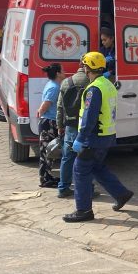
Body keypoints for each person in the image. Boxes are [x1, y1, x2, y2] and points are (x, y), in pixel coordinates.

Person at [63, 52, 133, 223]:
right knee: (96, 167)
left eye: (84, 66)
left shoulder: (94, 89)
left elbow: (89, 117)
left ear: (88, 68)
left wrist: (80, 138)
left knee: (79, 171)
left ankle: (83, 210)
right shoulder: (107, 84)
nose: (84, 69)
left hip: (92, 138)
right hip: (107, 136)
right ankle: (121, 194)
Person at [55, 55, 90, 198]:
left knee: (67, 158)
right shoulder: (91, 82)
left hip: (70, 125)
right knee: (86, 159)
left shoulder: (66, 82)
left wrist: (59, 126)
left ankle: (63, 188)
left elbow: (59, 107)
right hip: (85, 126)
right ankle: (87, 190)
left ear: (79, 64)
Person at [37, 63, 65, 188]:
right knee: (46, 151)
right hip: (49, 122)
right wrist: (40, 113)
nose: (64, 72)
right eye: (62, 70)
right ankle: (44, 179)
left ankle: (48, 176)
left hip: (49, 121)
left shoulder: (53, 85)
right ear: (58, 73)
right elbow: (46, 104)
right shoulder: (54, 87)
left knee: (50, 151)